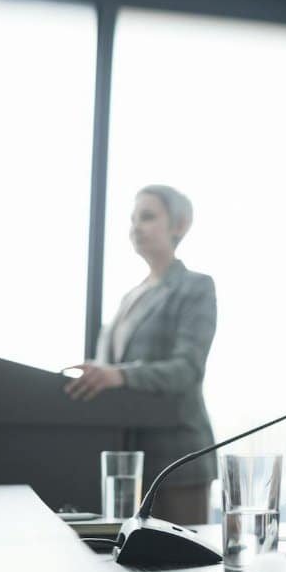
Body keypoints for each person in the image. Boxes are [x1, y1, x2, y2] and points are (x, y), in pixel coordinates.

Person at [65, 185, 218, 525]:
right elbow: (110, 370)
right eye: (133, 219)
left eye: (147, 217)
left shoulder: (196, 287)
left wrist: (119, 374)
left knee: (182, 566)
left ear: (180, 225)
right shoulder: (130, 298)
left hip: (178, 459)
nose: (136, 227)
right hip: (126, 460)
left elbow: (186, 369)